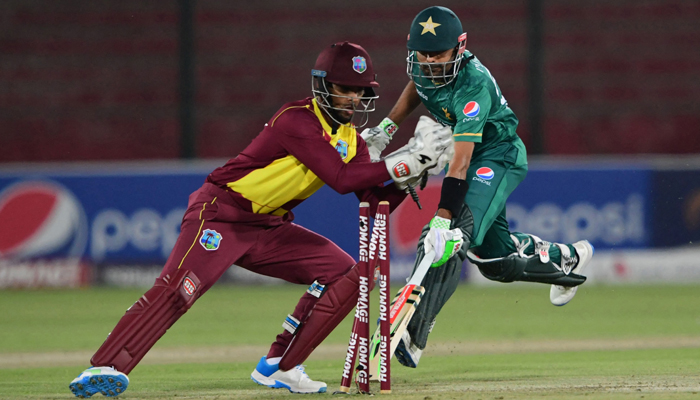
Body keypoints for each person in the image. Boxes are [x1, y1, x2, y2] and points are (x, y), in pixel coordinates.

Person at [68, 41, 453, 398]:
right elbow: (340, 179)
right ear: (322, 86)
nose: (353, 98)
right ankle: (105, 366)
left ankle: (281, 366)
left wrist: (416, 175)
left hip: (268, 227)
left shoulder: (350, 138)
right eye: (344, 88)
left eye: (359, 91)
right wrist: (403, 160)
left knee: (343, 272)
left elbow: (372, 198)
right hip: (220, 213)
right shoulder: (296, 119)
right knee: (179, 290)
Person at [361, 6, 595, 369]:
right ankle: (567, 256)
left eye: (438, 54)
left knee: (448, 237)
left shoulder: (474, 85)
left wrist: (441, 218)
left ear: (460, 47)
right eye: (423, 54)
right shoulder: (425, 68)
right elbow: (418, 88)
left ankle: (412, 333)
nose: (431, 63)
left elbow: (461, 162)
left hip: (497, 157)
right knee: (494, 262)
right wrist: (387, 128)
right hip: (469, 155)